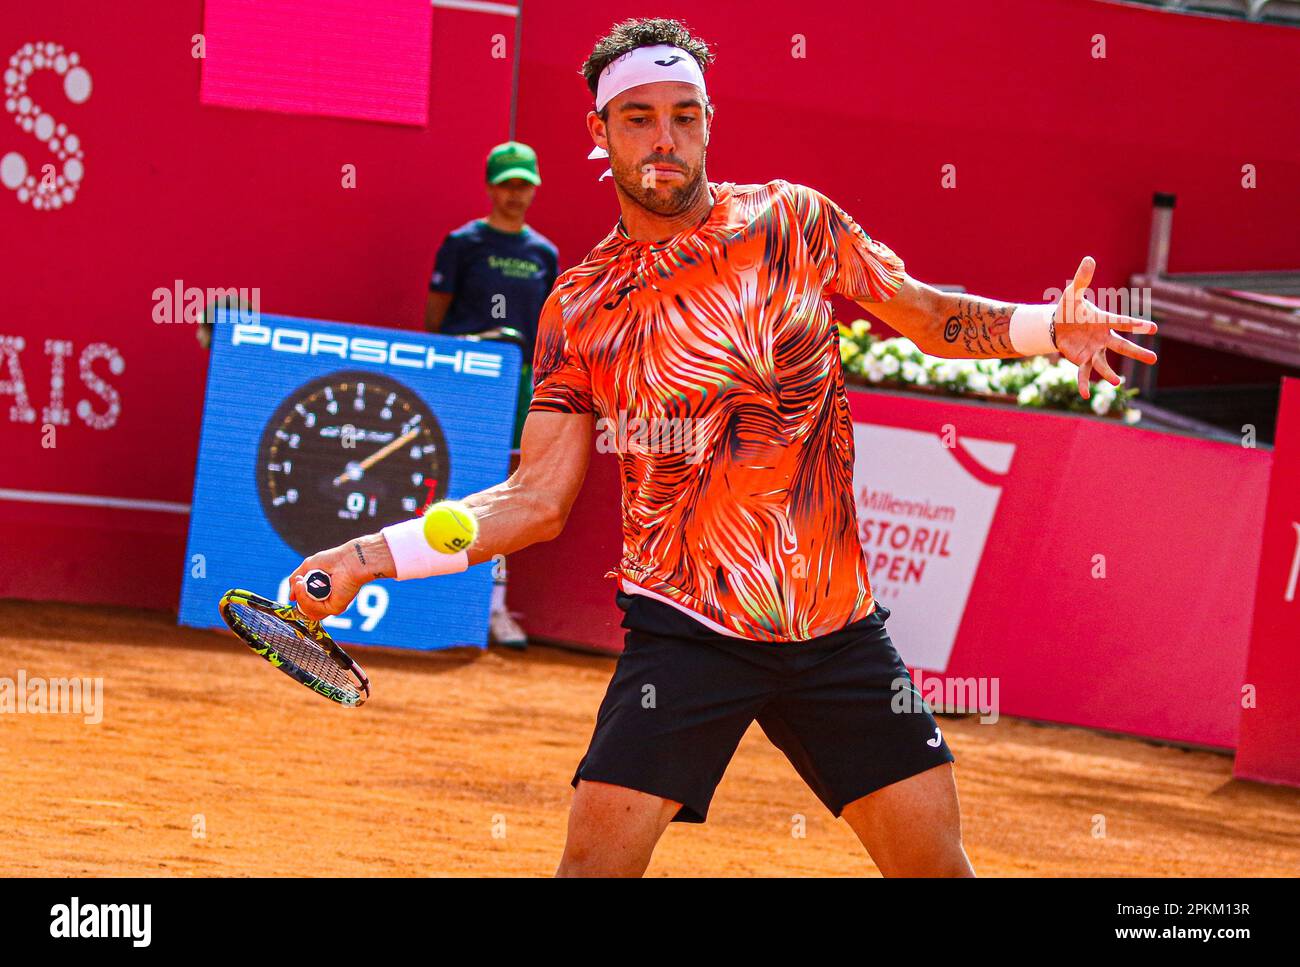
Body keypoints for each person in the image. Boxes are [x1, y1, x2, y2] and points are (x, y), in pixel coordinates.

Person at [287, 17, 1157, 877]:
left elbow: (927, 318)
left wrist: (1050, 328)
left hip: (838, 632)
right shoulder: (581, 307)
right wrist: (372, 553)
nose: (666, 138)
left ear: (709, 120)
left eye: (685, 114)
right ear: (599, 132)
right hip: (687, 633)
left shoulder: (795, 223)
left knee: (937, 870)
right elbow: (534, 501)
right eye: (639, 118)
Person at [425, 141, 559, 648]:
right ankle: (432, 595)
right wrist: (463, 357)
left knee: (503, 493)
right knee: (447, 481)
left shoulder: (543, 253)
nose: (516, 193)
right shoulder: (462, 244)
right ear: (490, 187)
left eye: (524, 183)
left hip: (518, 388)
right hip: (462, 385)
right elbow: (434, 323)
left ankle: (495, 608)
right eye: (507, 183)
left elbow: (546, 328)